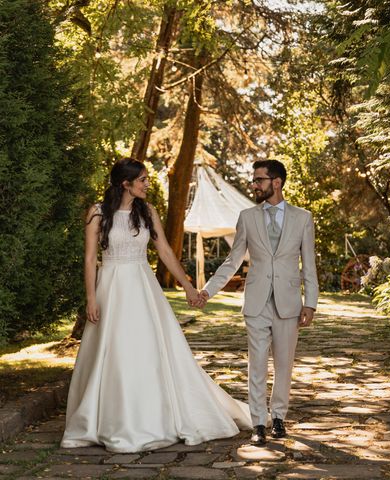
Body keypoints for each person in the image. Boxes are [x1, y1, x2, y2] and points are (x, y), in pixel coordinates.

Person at [61, 158, 251, 453]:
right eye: (143, 180)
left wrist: (189, 287)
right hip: (110, 287)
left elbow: (164, 250)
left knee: (149, 349)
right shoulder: (97, 213)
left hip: (142, 287)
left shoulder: (147, 212)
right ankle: (110, 420)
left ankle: (154, 416)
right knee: (112, 351)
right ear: (125, 183)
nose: (148, 184)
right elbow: (89, 259)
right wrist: (91, 297)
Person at [197, 159, 319, 445]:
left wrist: (310, 303)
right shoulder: (247, 217)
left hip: (289, 303)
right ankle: (258, 423)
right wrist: (207, 291)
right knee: (257, 364)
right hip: (256, 302)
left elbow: (309, 264)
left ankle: (278, 417)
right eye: (254, 180)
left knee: (284, 365)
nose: (254, 185)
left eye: (259, 180)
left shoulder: (303, 218)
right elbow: (233, 261)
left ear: (276, 182)